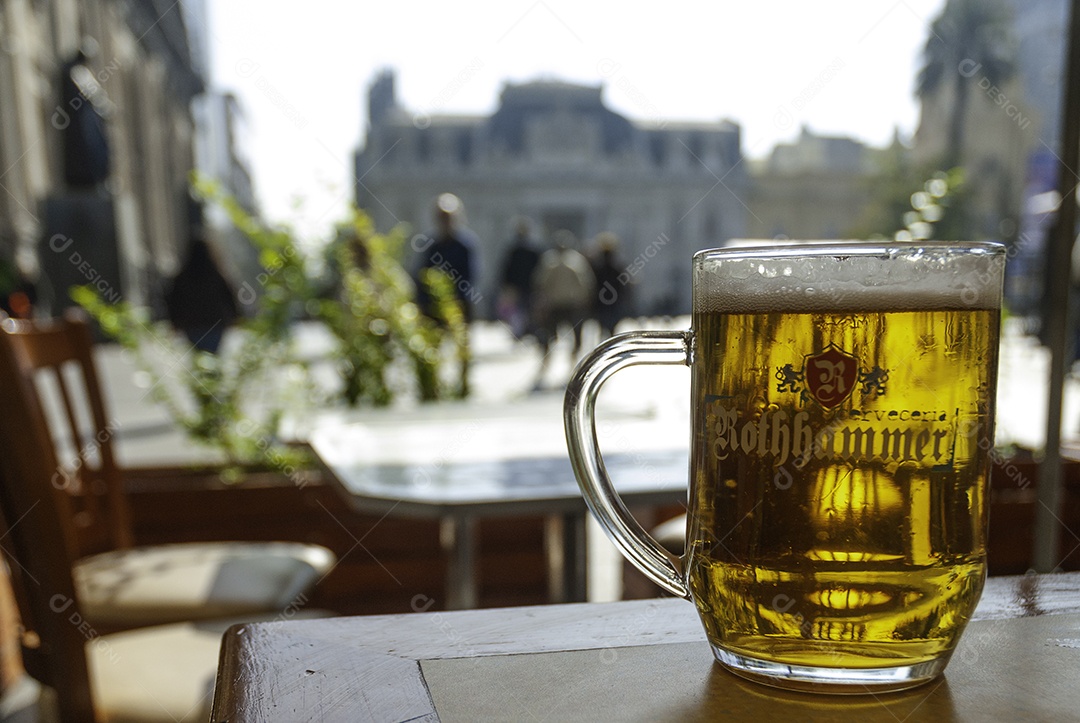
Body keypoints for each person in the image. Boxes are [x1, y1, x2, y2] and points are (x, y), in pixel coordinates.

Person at [531, 230, 595, 387]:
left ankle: (558, 367)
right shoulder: (573, 261)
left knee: (553, 338)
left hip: (562, 305)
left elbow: (540, 282)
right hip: (565, 305)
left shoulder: (553, 260)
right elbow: (586, 284)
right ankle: (564, 367)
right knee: (564, 338)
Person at [165, 233, 239, 354]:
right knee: (212, 356)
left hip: (192, 325)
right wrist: (235, 317)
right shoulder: (217, 275)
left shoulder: (182, 278)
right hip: (215, 323)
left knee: (199, 357)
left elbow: (173, 301)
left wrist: (174, 322)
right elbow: (229, 297)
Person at [414, 193, 479, 323]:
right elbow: (422, 274)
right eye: (442, 218)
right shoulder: (431, 245)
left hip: (458, 302)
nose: (446, 223)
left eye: (448, 218)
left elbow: (470, 276)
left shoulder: (465, 245)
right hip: (433, 304)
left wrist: (454, 297)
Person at [497, 217, 540, 340]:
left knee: (522, 310)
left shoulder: (518, 250)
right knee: (520, 310)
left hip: (523, 286)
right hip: (523, 286)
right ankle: (522, 331)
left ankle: (524, 331)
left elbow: (506, 269)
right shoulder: (522, 250)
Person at [589, 231, 631, 341]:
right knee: (611, 328)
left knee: (603, 328)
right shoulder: (617, 268)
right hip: (613, 302)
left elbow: (593, 285)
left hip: (602, 303)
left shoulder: (597, 268)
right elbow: (624, 286)